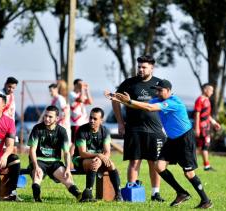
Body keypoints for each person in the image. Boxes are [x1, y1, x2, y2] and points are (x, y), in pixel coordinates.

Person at [106, 79, 213, 209]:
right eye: (156, 90)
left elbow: (150, 108)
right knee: (159, 166)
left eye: (160, 90)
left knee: (189, 173)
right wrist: (117, 98)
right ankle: (181, 193)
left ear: (168, 91)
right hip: (172, 140)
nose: (157, 92)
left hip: (185, 139)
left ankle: (205, 200)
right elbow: (141, 105)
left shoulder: (174, 102)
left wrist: (129, 101)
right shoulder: (158, 100)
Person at [111, 55, 166, 202]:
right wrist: (120, 122)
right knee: (134, 162)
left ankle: (155, 194)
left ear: (152, 68)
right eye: (139, 66)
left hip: (155, 130)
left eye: (144, 67)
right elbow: (115, 99)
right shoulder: (129, 83)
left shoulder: (159, 84)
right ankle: (131, 192)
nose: (140, 69)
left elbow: (168, 104)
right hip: (134, 129)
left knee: (154, 163)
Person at [28, 105, 84, 202]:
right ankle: (37, 198)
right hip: (39, 160)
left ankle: (79, 196)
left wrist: (67, 168)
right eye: (45, 116)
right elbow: (32, 150)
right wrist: (36, 166)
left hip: (55, 162)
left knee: (66, 178)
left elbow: (66, 152)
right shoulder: (37, 128)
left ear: (57, 118)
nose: (46, 118)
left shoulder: (62, 131)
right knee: (37, 176)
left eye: (50, 117)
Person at [72, 107, 123, 201]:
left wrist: (101, 158)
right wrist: (99, 156)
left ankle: (118, 195)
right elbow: (82, 153)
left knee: (111, 164)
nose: (92, 120)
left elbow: (107, 151)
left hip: (97, 159)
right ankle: (88, 194)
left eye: (95, 119)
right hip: (80, 159)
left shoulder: (105, 131)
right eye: (90, 118)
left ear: (101, 120)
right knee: (93, 163)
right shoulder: (82, 130)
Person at [194, 83, 221, 171]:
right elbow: (197, 114)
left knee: (203, 146)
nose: (212, 92)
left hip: (207, 127)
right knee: (202, 146)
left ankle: (206, 165)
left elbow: (207, 115)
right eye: (211, 90)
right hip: (202, 127)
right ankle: (204, 166)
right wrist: (197, 128)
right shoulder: (200, 100)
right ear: (205, 90)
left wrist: (214, 123)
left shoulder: (207, 100)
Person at [69, 79, 93, 156]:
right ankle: (70, 162)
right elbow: (81, 99)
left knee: (84, 141)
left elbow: (90, 102)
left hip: (84, 122)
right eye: (80, 84)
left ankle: (81, 158)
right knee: (74, 142)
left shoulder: (82, 93)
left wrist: (87, 90)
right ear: (75, 85)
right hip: (76, 123)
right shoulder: (71, 94)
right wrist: (82, 88)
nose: (81, 85)